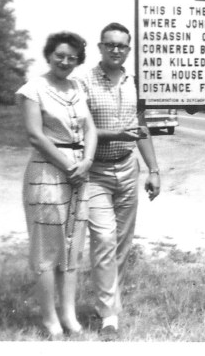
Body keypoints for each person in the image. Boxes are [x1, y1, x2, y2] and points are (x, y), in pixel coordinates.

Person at [78, 22, 161, 339]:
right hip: (95, 171)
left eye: (122, 46)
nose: (116, 50)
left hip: (128, 167)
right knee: (103, 241)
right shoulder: (84, 82)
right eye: (110, 44)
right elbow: (77, 131)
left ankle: (110, 304)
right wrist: (115, 134)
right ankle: (109, 316)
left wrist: (153, 169)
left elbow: (141, 128)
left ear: (129, 49)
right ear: (100, 47)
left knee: (123, 244)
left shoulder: (133, 83)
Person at [17, 31, 97, 339]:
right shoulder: (32, 89)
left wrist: (86, 162)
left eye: (72, 57)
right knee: (47, 251)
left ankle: (69, 315)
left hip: (79, 172)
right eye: (59, 55)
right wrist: (68, 166)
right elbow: (35, 135)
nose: (65, 61)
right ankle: (50, 319)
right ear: (49, 54)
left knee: (72, 248)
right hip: (47, 174)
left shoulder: (77, 86)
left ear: (78, 61)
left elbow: (89, 127)